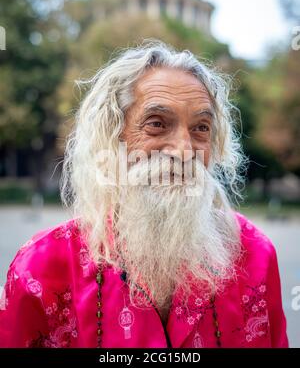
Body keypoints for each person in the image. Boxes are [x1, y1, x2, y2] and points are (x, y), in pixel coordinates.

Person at [0, 41, 288, 348]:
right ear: (113, 136)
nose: (183, 150)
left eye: (201, 128)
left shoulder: (254, 254)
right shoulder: (43, 267)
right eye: (157, 124)